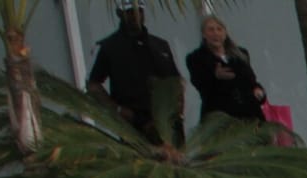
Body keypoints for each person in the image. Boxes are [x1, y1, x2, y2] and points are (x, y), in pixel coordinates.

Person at [87, 0, 183, 140]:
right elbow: (92, 84)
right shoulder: (107, 47)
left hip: (169, 126)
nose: (135, 16)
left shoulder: (161, 46)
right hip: (133, 126)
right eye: (130, 12)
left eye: (139, 11)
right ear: (120, 13)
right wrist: (118, 110)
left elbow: (176, 82)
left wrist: (178, 112)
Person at [185, 16, 267, 125]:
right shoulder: (196, 58)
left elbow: (251, 81)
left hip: (250, 116)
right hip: (220, 120)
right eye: (211, 29)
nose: (216, 33)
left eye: (219, 29)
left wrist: (258, 91)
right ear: (204, 34)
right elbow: (199, 84)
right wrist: (215, 76)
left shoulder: (241, 54)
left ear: (225, 32)